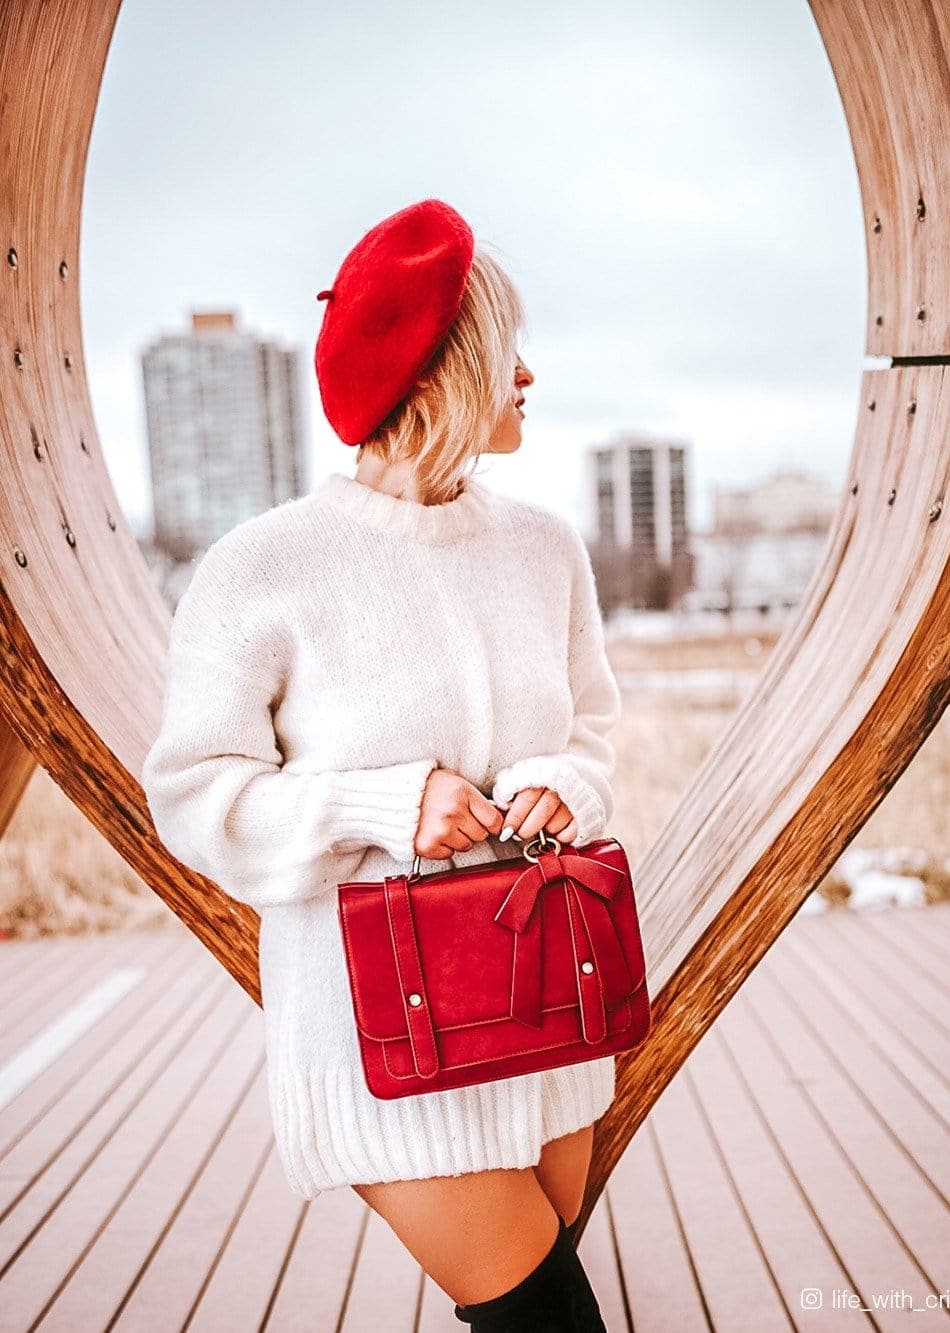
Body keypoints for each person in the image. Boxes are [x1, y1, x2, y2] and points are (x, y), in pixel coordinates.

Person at [141, 199, 621, 1331]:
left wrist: (568, 783)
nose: (529, 376)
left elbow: (596, 733)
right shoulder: (261, 567)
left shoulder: (545, 548)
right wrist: (388, 804)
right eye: (508, 351)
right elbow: (195, 796)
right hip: (381, 1042)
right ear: (444, 369)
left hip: (548, 1018)